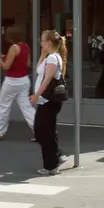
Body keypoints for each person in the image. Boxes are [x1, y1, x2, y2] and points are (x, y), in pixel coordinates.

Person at [29, 29, 67, 176]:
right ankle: (56, 157)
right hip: (45, 100)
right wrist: (42, 54)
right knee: (44, 130)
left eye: (43, 40)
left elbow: (47, 79)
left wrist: (36, 95)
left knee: (43, 131)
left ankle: (51, 165)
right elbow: (38, 70)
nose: (40, 43)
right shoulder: (48, 57)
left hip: (49, 100)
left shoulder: (53, 58)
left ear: (49, 43)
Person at [0, 26, 35, 140]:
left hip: (12, 81)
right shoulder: (26, 46)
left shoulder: (14, 48)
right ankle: (41, 131)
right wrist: (8, 57)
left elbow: (6, 66)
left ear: (11, 36)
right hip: (24, 80)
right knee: (27, 107)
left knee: (3, 105)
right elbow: (27, 64)